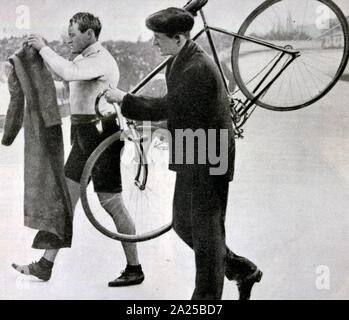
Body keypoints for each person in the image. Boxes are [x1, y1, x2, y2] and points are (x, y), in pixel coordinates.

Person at [105, 7, 263, 300]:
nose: (153, 44)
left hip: (209, 153)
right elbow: (183, 111)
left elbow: (168, 106)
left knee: (206, 234)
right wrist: (157, 129)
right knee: (182, 224)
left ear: (178, 38)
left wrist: (124, 99)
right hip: (194, 149)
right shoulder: (180, 58)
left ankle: (205, 301)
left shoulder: (196, 67)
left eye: (158, 39)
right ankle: (241, 269)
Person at [12, 12, 144, 287]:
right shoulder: (82, 59)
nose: (68, 39)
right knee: (66, 201)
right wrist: (26, 63)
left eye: (73, 35)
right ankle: (45, 265)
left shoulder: (101, 60)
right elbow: (64, 76)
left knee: (112, 204)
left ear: (90, 34)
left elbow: (67, 73)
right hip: (84, 135)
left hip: (102, 136)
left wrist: (44, 48)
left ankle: (135, 268)